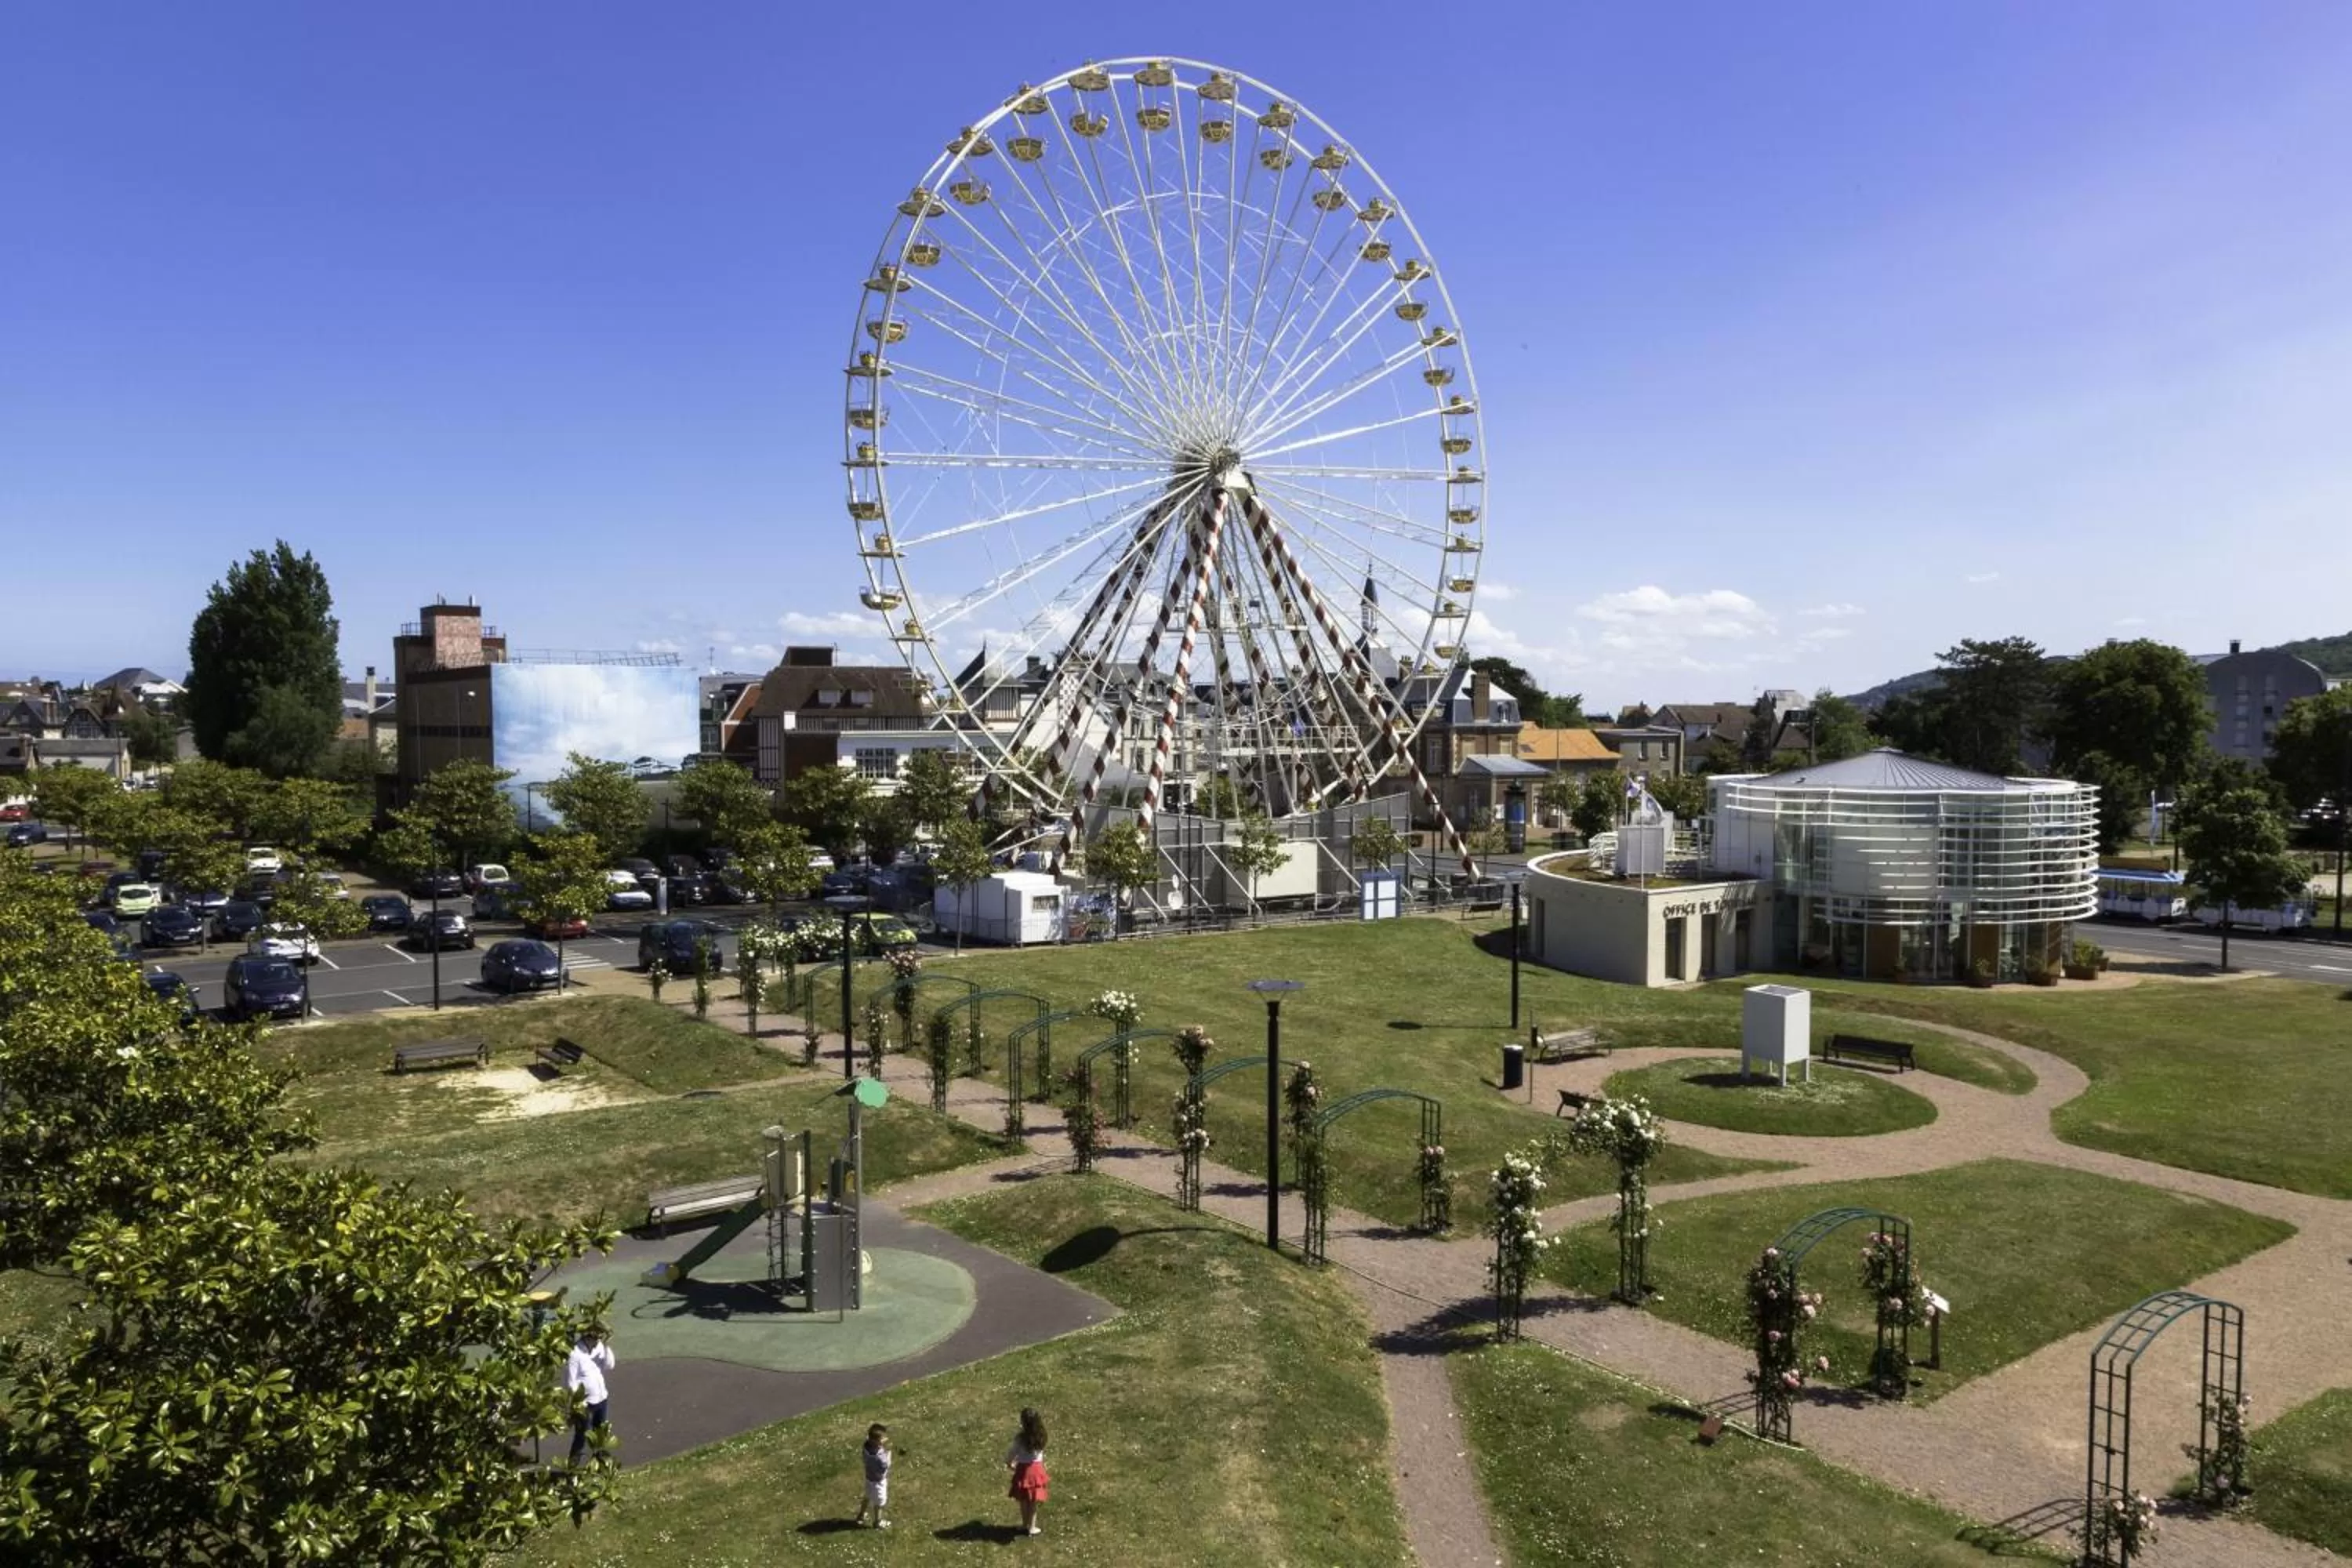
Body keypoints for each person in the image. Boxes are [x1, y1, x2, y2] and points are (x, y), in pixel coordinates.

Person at [565, 1327, 615, 1465]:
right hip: (585, 1403)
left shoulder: (599, 1347)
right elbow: (571, 1383)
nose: (598, 1341)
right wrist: (576, 1405)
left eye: (599, 1339)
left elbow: (610, 1365)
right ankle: (572, 1467)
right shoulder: (575, 1354)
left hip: (601, 1398)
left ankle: (600, 1465)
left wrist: (606, 1347)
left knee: (601, 1434)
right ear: (587, 1337)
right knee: (581, 1436)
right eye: (596, 1338)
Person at [1004, 1406, 1049, 1537]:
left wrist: (1009, 1463)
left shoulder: (1020, 1439)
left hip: (1023, 1471)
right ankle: (1032, 1527)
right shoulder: (1042, 1436)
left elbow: (1012, 1452)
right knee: (1033, 1501)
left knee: (1024, 1501)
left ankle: (1025, 1525)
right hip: (1037, 1471)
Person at [854, 1423, 892, 1530]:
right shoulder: (880, 1457)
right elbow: (885, 1467)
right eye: (882, 1438)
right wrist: (888, 1453)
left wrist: (880, 1444)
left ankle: (861, 1516)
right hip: (879, 1482)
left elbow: (869, 1440)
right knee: (879, 1503)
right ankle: (878, 1522)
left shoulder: (866, 1446)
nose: (884, 1439)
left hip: (869, 1479)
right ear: (876, 1441)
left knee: (867, 1497)